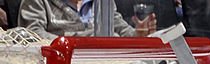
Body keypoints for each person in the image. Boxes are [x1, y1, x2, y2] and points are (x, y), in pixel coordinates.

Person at [18, 0, 155, 38]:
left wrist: (137, 34)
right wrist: (87, 40)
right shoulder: (36, 1)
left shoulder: (102, 2)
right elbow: (33, 36)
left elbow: (121, 29)